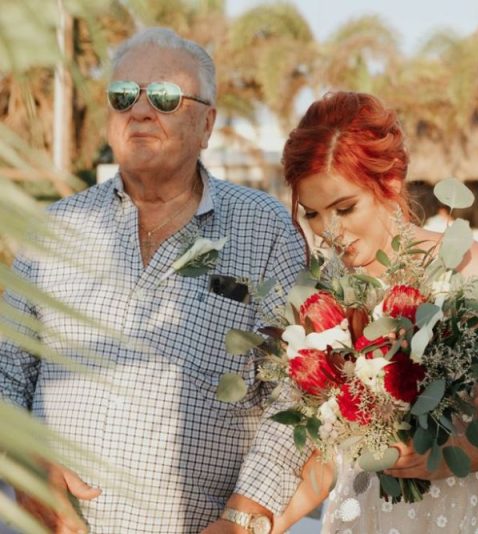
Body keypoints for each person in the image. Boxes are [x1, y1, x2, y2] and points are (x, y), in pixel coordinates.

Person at [0, 28, 308, 533]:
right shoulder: (53, 228)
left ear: (207, 123)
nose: (140, 111)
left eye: (164, 97)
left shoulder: (265, 227)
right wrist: (28, 470)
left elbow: (295, 389)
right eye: (123, 96)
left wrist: (244, 516)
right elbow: (8, 370)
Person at [273, 91, 478, 533]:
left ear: (390, 184)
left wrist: (443, 456)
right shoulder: (323, 299)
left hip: (477, 514)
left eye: (344, 208)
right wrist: (257, 524)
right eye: (314, 214)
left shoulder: (466, 266)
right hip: (369, 514)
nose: (329, 231)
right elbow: (321, 452)